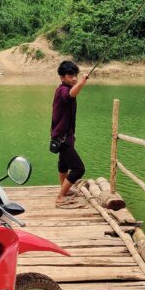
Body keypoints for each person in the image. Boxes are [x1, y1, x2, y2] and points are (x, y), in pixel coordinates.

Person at [51, 60, 90, 207]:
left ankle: (65, 190)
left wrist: (72, 134)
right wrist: (82, 83)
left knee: (63, 165)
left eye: (75, 75)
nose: (74, 78)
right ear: (62, 77)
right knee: (79, 169)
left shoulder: (64, 88)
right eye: (70, 75)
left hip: (63, 135)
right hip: (62, 137)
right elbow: (70, 95)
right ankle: (61, 196)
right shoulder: (63, 90)